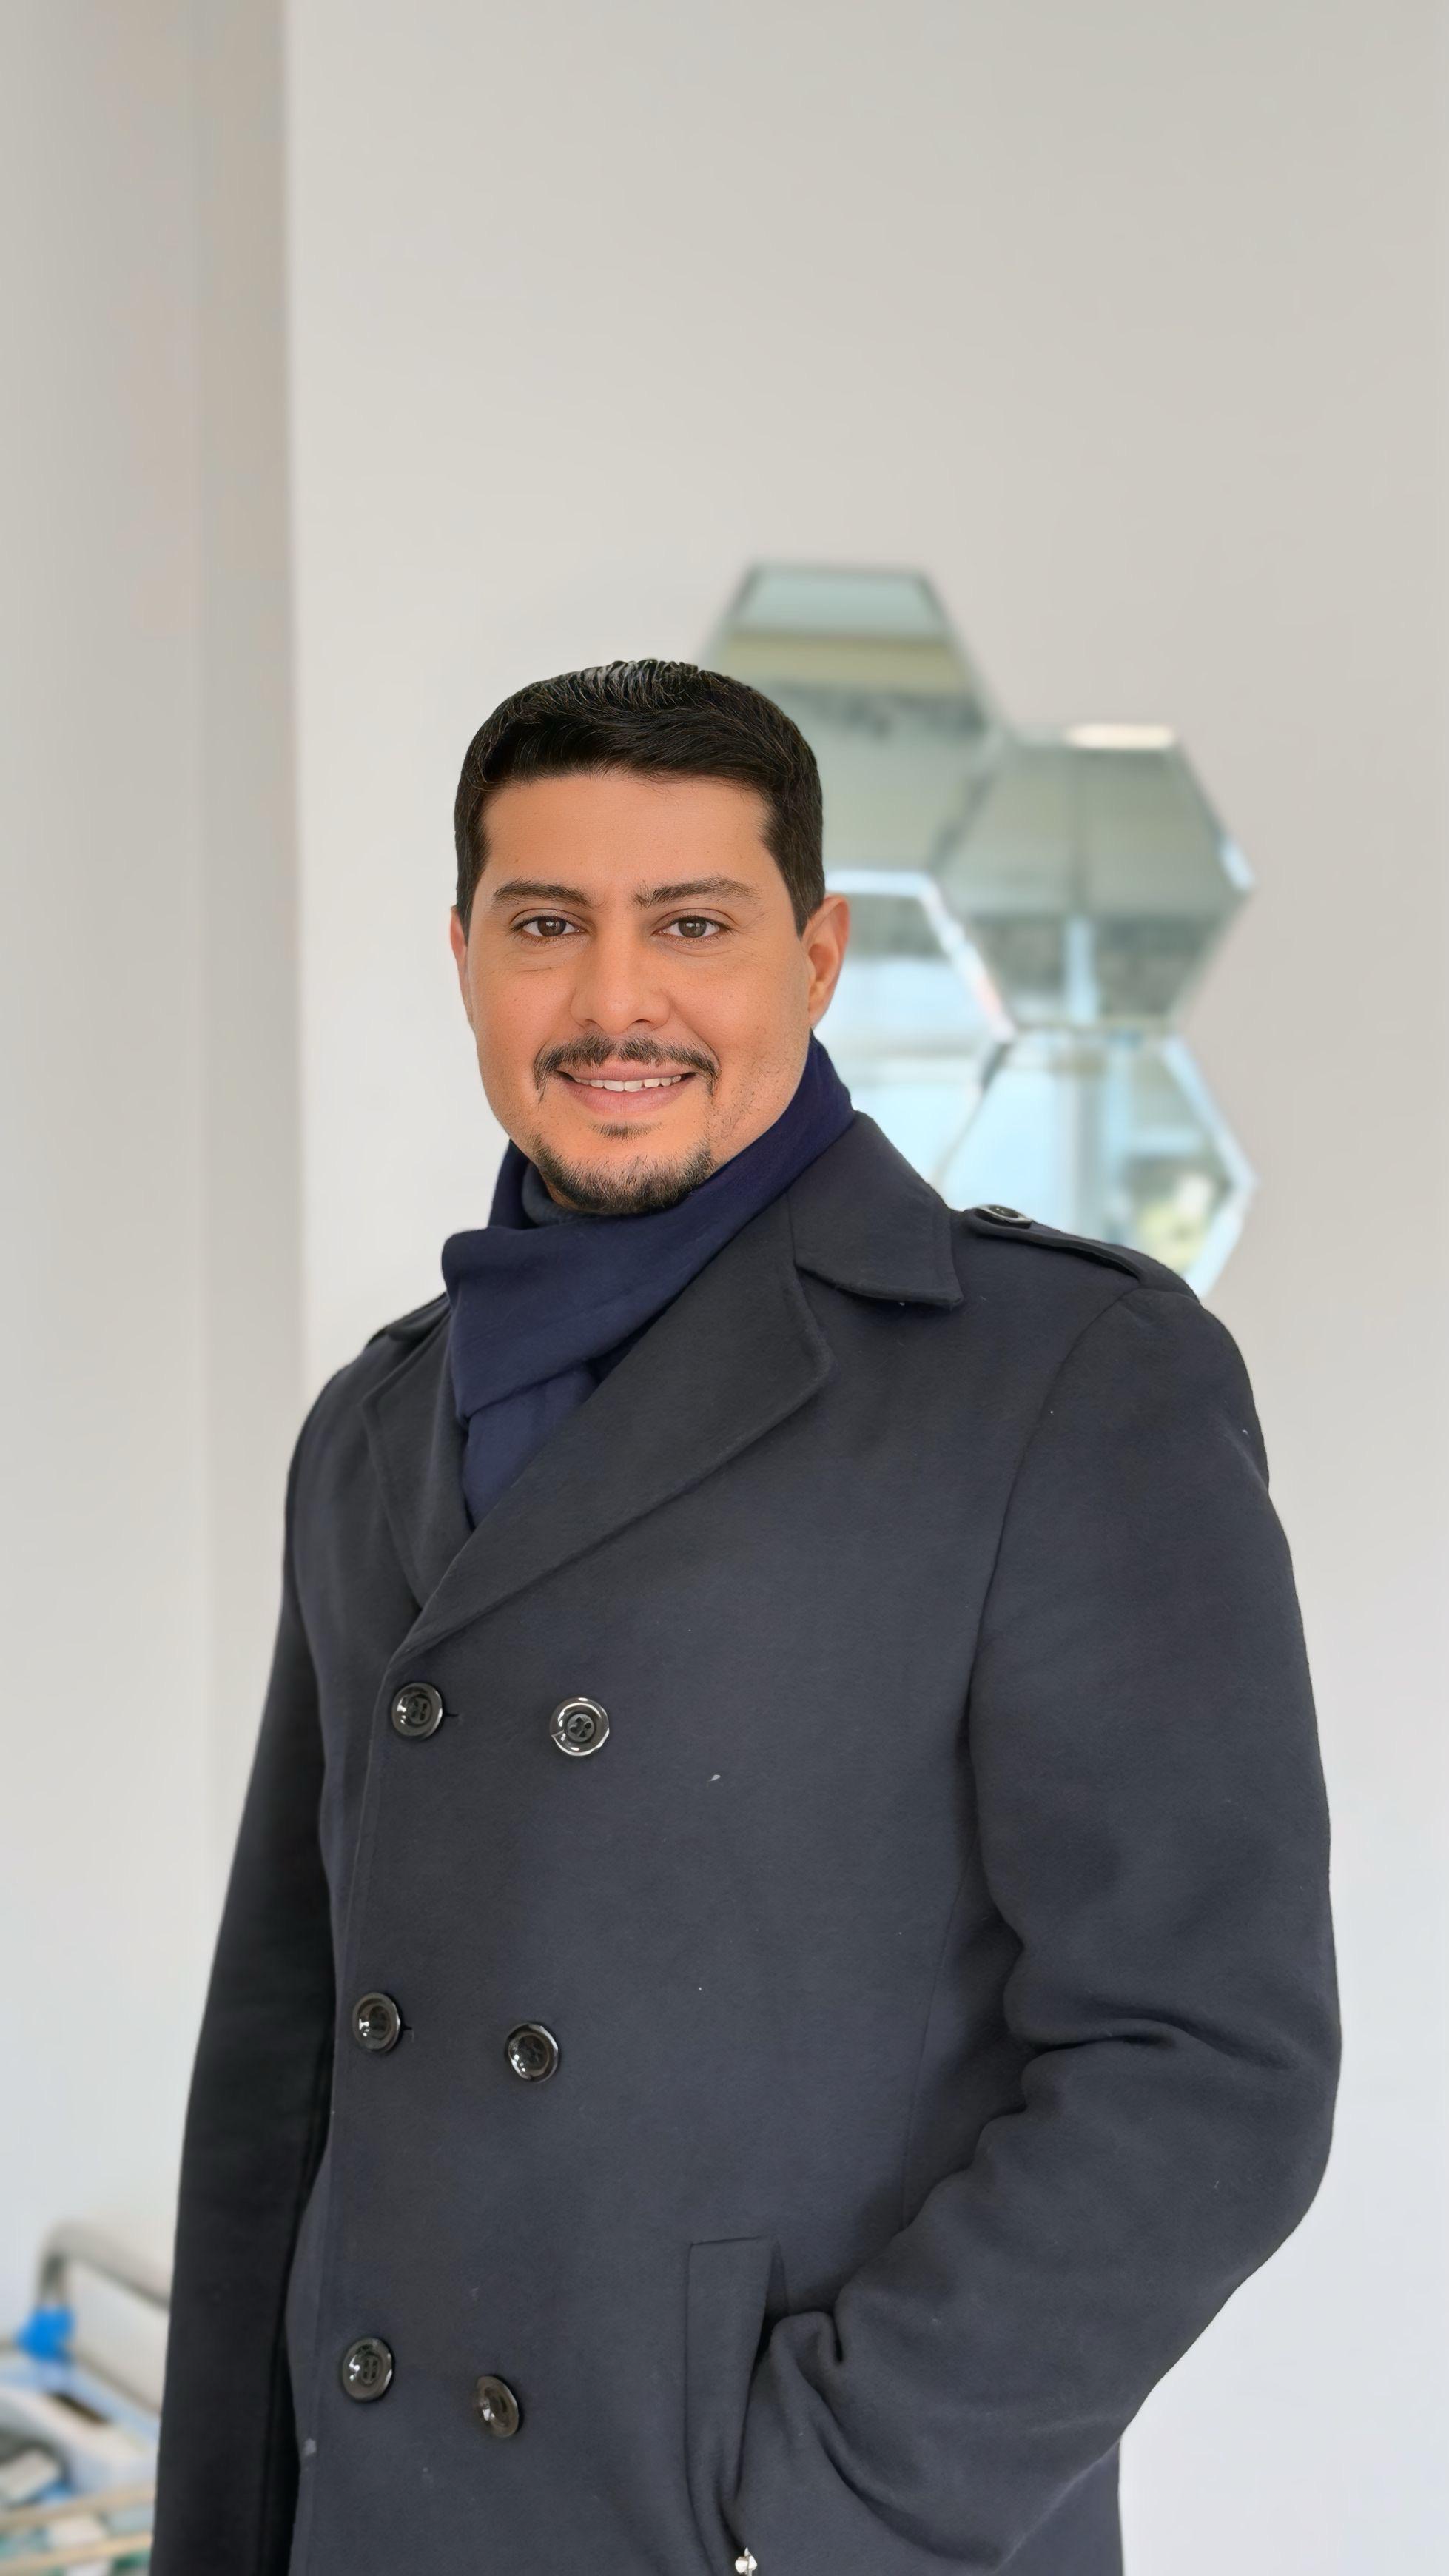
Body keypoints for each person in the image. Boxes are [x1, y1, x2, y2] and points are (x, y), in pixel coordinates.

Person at [150, 660, 1339, 2576]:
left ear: (818, 954)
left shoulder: (1062, 1382)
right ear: (465, 956)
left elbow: (1205, 2063)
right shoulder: (372, 1424)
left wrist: (819, 2507)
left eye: (692, 925)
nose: (617, 1000)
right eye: (548, 924)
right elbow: (282, 2061)